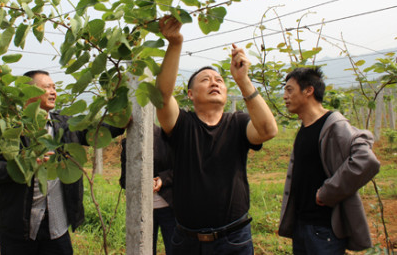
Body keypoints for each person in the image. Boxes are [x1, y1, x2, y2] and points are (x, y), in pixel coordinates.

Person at [155, 16, 278, 254]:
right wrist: (175, 44)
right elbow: (161, 97)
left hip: (233, 238)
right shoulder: (182, 124)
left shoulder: (238, 122)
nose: (215, 82)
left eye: (220, 80)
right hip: (186, 240)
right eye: (206, 79)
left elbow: (268, 130)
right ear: (190, 94)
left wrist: (243, 80)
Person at [0, 70, 126, 255]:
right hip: (19, 229)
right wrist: (25, 165)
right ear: (29, 94)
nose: (53, 92)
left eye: (54, 87)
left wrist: (123, 117)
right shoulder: (10, 129)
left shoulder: (66, 125)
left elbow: (97, 132)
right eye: (47, 87)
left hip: (56, 227)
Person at [278, 66, 380, 254]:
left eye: (289, 89)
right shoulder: (305, 127)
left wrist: (328, 191)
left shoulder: (334, 125)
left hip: (323, 230)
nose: (285, 96)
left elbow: (367, 160)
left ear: (309, 90)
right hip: (302, 226)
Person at [119, 125, 176, 255]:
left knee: (173, 248)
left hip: (168, 207)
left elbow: (180, 169)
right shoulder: (129, 143)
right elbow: (124, 180)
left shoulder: (166, 138)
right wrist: (140, 182)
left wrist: (162, 179)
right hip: (141, 210)